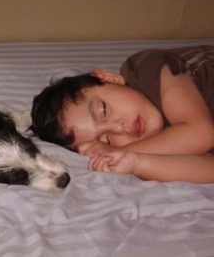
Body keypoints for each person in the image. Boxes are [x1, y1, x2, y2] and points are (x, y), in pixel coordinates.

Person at [30, 45, 214, 183]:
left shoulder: (148, 68)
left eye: (104, 110)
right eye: (107, 140)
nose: (119, 128)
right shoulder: (158, 144)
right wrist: (136, 163)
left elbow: (201, 133)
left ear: (107, 78)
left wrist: (118, 151)